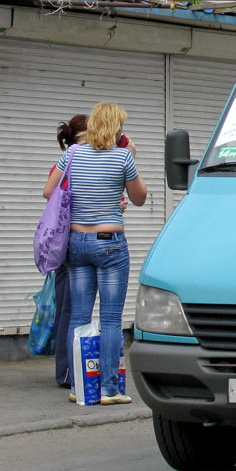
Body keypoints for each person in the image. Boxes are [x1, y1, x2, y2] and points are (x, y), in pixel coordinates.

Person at [43, 103, 147, 405]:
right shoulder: (123, 156)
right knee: (111, 319)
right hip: (110, 243)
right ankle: (109, 389)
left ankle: (78, 387)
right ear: (115, 127)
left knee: (78, 315)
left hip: (76, 243)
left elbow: (49, 192)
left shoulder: (72, 155)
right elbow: (139, 198)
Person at [49, 115, 87, 389]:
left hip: (66, 241)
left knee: (68, 307)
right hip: (71, 240)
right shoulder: (74, 160)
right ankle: (66, 371)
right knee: (70, 308)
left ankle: (66, 368)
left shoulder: (74, 159)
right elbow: (49, 193)